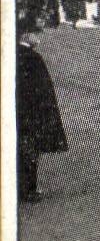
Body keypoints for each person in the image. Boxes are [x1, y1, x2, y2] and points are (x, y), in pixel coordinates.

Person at [17, 23, 68, 201]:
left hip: (17, 111)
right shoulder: (33, 58)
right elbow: (42, 89)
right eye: (33, 33)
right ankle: (28, 190)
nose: (37, 37)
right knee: (29, 151)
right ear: (25, 36)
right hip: (30, 113)